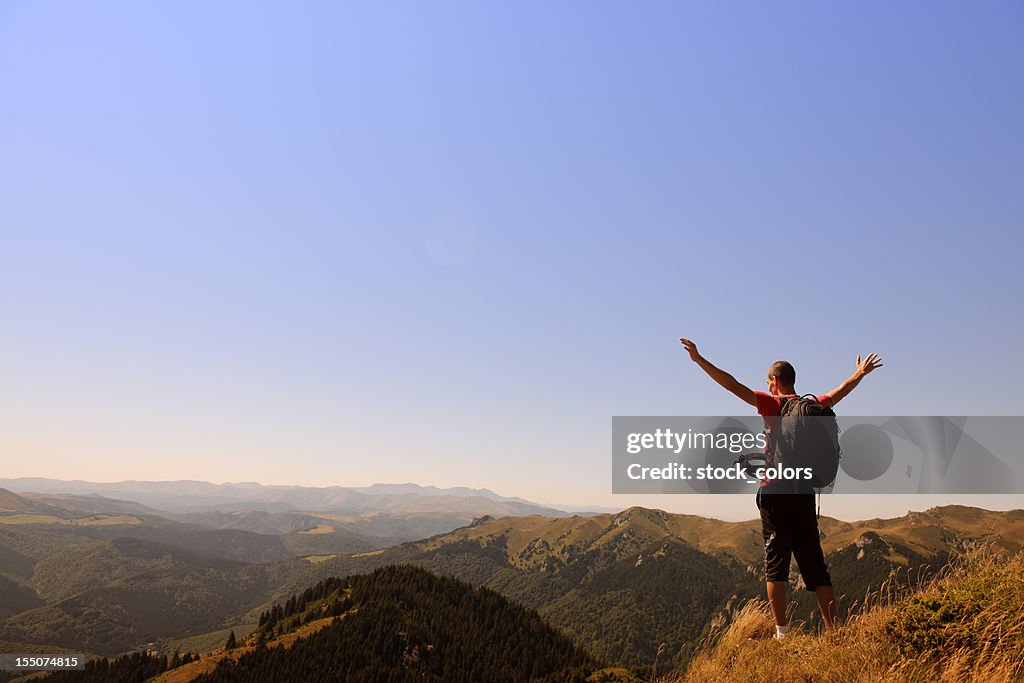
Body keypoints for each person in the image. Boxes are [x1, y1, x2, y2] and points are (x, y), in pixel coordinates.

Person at [678, 338, 883, 638]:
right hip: (804, 493)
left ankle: (782, 634)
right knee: (814, 563)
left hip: (774, 491)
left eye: (768, 382)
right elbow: (838, 394)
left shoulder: (774, 404)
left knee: (776, 563)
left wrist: (700, 360)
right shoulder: (812, 406)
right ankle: (835, 632)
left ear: (774, 382)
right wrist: (858, 375)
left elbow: (733, 386)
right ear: (793, 381)